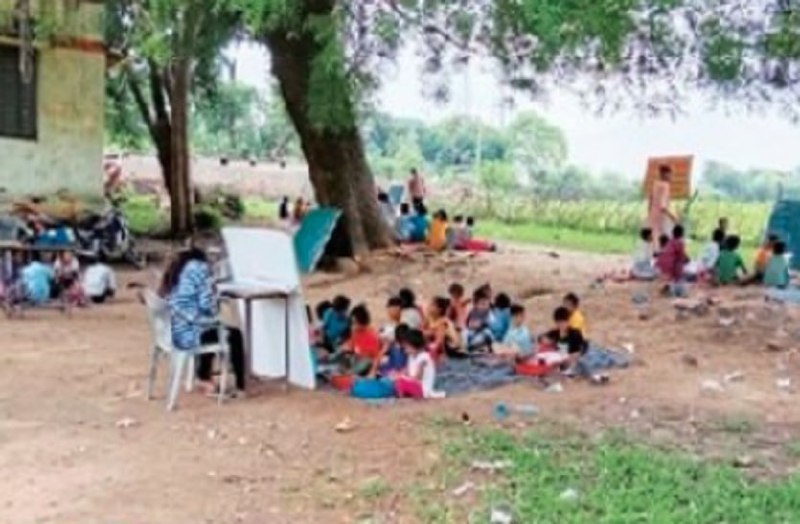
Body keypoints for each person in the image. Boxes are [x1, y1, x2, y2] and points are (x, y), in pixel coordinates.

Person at [162, 247, 246, 396]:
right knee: (234, 334)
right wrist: (215, 296)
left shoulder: (177, 272)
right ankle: (240, 386)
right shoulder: (200, 269)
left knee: (212, 330)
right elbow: (208, 307)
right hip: (191, 331)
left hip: (174, 330)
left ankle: (203, 375)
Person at [394, 329, 444, 399]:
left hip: (423, 388)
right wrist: (399, 374)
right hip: (415, 384)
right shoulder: (411, 357)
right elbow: (407, 372)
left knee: (400, 382)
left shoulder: (424, 357)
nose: (405, 351)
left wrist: (404, 378)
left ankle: (402, 396)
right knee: (397, 380)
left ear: (414, 346)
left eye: (407, 348)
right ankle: (404, 394)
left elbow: (418, 377)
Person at [340, 304, 382, 376]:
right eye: (352, 323)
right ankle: (348, 371)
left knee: (366, 361)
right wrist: (345, 348)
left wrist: (372, 372)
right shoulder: (355, 332)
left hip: (366, 364)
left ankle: (350, 373)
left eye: (355, 323)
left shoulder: (372, 335)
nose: (352, 325)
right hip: (356, 360)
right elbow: (351, 346)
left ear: (362, 322)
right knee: (344, 354)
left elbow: (376, 358)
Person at [545, 306, 588, 372]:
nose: (561, 325)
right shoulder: (555, 332)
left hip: (576, 353)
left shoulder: (575, 334)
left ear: (568, 321)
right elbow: (542, 338)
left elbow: (577, 353)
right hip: (564, 356)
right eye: (558, 323)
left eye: (563, 322)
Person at [648, 164, 679, 241]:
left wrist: (650, 214)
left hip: (654, 216)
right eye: (671, 174)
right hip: (662, 217)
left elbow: (650, 200)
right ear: (665, 174)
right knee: (665, 240)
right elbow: (663, 206)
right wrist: (672, 216)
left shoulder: (655, 184)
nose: (671, 177)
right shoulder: (665, 186)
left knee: (654, 239)